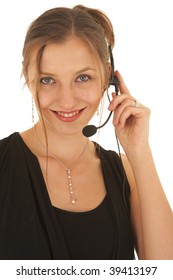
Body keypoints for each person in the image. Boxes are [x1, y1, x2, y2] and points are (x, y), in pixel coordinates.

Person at [0, 4, 173, 260]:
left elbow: (163, 270)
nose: (67, 101)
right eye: (48, 80)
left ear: (106, 77)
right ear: (29, 76)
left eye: (83, 78)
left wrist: (140, 152)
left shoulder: (127, 172)